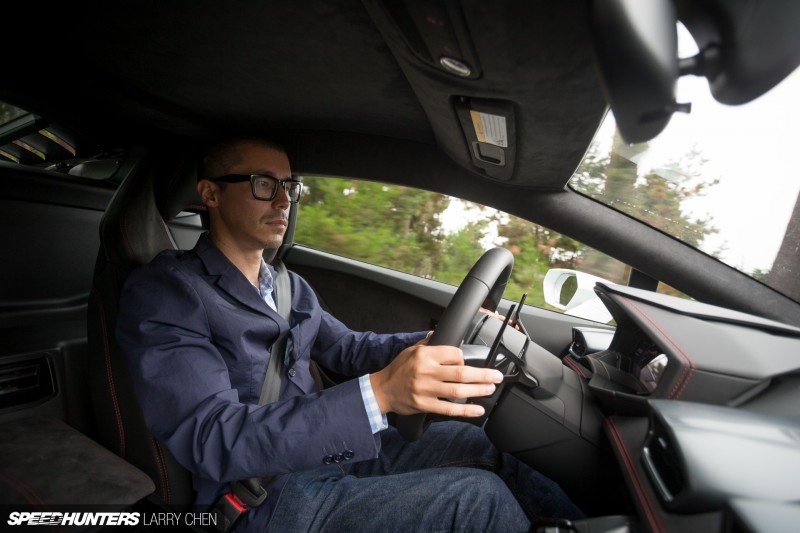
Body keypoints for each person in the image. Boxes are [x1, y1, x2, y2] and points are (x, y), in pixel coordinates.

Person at [116, 135, 584, 532]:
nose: (283, 200)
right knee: (476, 499)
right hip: (261, 494)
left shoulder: (286, 284)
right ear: (211, 195)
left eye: (289, 186)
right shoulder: (168, 293)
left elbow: (347, 348)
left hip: (325, 454)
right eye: (264, 184)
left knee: (482, 446)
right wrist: (380, 394)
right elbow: (213, 439)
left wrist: (446, 341)